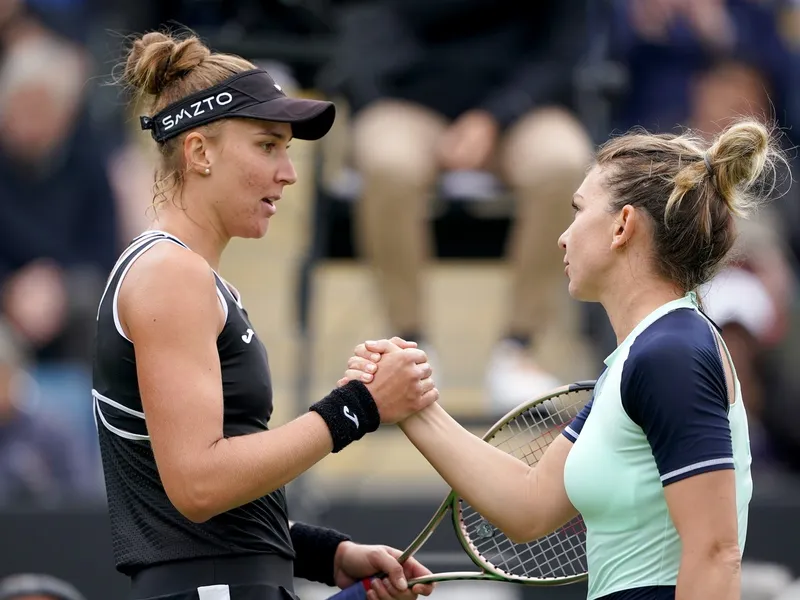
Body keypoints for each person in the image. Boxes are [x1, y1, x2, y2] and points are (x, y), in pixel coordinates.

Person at [342, 119, 785, 599]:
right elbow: (530, 505)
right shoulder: (639, 356)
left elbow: (716, 553)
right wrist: (413, 406)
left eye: (577, 211)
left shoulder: (670, 353)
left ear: (622, 226)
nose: (563, 237)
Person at [92, 30, 437, 600]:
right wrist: (358, 407)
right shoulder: (171, 276)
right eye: (268, 145)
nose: (289, 172)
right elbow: (199, 485)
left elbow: (201, 504)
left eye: (287, 149)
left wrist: (327, 555)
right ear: (199, 152)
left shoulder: (187, 275)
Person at [327, 0, 595, 410]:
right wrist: (378, 95)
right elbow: (366, 30)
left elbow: (563, 51)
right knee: (388, 164)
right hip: (407, 102)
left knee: (562, 163)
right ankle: (409, 347)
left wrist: (494, 117)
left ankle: (518, 350)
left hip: (522, 111)